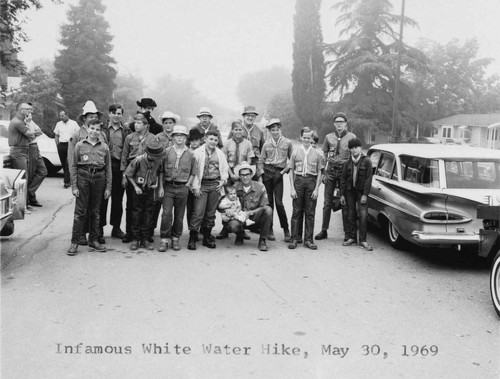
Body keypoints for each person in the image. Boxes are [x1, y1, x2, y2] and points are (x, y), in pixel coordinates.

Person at [67, 120, 111, 256]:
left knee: (95, 211)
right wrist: (74, 185)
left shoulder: (104, 147)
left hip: (99, 177)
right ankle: (75, 242)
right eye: (92, 128)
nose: (94, 131)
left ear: (100, 131)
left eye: (97, 129)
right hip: (83, 177)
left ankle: (93, 240)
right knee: (80, 212)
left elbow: (108, 168)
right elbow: (73, 166)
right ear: (87, 129)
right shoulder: (79, 145)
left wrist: (108, 187)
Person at [315, 112, 356, 242]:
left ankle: (347, 233)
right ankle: (324, 230)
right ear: (334, 124)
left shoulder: (351, 137)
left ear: (345, 123)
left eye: (341, 122)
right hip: (331, 171)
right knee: (327, 202)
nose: (339, 124)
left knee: (344, 202)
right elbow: (325, 155)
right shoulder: (328, 137)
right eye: (337, 122)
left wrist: (350, 174)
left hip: (344, 173)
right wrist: (324, 172)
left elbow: (353, 156)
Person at [121, 113, 159, 243]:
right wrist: (124, 175)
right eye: (135, 122)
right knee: (131, 205)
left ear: (146, 125)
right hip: (132, 171)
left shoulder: (153, 138)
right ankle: (129, 233)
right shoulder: (129, 137)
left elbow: (157, 157)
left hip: (146, 171)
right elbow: (124, 157)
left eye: (139, 123)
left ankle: (146, 235)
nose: (136, 125)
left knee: (147, 207)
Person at [187, 130, 228, 250]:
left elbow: (224, 169)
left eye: (216, 140)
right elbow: (193, 171)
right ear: (205, 139)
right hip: (202, 185)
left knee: (210, 213)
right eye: (211, 139)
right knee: (198, 212)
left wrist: (223, 181)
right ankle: (192, 236)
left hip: (214, 184)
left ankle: (207, 236)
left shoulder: (220, 154)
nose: (213, 142)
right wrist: (195, 187)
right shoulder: (197, 152)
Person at [158, 125, 196, 252]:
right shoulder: (167, 151)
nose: (179, 138)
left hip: (182, 187)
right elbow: (161, 171)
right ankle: (164, 239)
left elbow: (193, 172)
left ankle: (175, 239)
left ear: (186, 138)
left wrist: (187, 185)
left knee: (179, 216)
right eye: (176, 135)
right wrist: (161, 187)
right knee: (166, 214)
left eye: (182, 135)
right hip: (168, 186)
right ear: (173, 137)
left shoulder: (191, 154)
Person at [216, 119, 255, 240]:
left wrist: (243, 172)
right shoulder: (227, 143)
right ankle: (225, 228)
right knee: (226, 201)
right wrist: (232, 174)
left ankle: (241, 229)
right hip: (230, 176)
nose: (238, 131)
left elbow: (250, 159)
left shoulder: (248, 143)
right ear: (232, 130)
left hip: (242, 176)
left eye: (240, 129)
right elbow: (224, 161)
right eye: (236, 129)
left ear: (243, 130)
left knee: (241, 201)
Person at [124, 139, 164, 251]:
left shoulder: (159, 160)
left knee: (148, 214)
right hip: (139, 189)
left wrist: (159, 185)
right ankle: (135, 239)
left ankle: (145, 239)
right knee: (136, 214)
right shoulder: (138, 160)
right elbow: (129, 174)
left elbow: (160, 172)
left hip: (150, 189)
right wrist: (136, 187)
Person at [288, 127, 323, 250]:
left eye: (309, 138)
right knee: (296, 211)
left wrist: (316, 189)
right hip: (298, 181)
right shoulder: (295, 152)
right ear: (301, 138)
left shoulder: (318, 154)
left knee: (310, 212)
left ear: (311, 138)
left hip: (311, 181)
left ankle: (308, 239)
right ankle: (294, 238)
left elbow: (320, 172)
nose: (306, 140)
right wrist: (292, 188)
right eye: (304, 137)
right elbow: (291, 171)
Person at [258, 118, 293, 243]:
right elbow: (261, 161)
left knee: (279, 203)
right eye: (272, 130)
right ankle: (269, 229)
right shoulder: (266, 144)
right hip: (267, 173)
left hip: (279, 173)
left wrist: (283, 172)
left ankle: (286, 229)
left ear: (280, 129)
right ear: (269, 131)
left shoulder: (287, 143)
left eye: (277, 129)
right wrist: (262, 176)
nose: (275, 132)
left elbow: (292, 160)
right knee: (269, 203)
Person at [99, 104, 130, 243]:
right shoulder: (102, 129)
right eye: (114, 113)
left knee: (117, 201)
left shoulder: (127, 131)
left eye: (119, 113)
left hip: (119, 167)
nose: (116, 115)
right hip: (104, 167)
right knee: (102, 200)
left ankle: (116, 228)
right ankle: (99, 229)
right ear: (109, 114)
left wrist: (125, 173)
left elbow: (128, 152)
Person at [226, 162, 272, 251]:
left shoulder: (260, 186)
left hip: (255, 217)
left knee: (268, 210)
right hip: (240, 218)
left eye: (247, 174)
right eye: (242, 175)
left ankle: (262, 240)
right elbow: (226, 203)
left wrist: (250, 213)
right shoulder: (234, 187)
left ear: (251, 174)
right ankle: (240, 235)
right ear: (239, 176)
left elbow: (264, 206)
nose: (245, 177)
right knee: (233, 225)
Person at [151, 111, 181, 240]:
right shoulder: (158, 137)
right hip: (159, 172)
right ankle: (151, 229)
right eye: (166, 123)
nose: (168, 125)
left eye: (170, 123)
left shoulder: (177, 137)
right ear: (162, 124)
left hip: (173, 175)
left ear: (174, 124)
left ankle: (171, 231)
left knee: (171, 207)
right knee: (156, 202)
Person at [340, 138, 373, 251]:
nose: (354, 150)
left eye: (356, 147)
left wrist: (365, 195)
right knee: (351, 214)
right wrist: (342, 195)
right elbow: (343, 179)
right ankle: (352, 237)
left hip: (361, 192)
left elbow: (368, 179)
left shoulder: (367, 161)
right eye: (351, 148)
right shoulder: (347, 162)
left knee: (363, 215)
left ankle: (363, 240)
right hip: (350, 191)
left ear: (360, 148)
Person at [8, 103, 35, 206]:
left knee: (24, 178)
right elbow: (31, 134)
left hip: (22, 150)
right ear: (21, 110)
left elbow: (31, 136)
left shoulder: (20, 122)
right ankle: (21, 206)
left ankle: (24, 204)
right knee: (22, 179)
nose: (30, 111)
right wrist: (29, 122)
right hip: (19, 151)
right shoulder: (18, 122)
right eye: (28, 109)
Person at [228, 105, 264, 178]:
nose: (250, 118)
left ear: (255, 117)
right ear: (244, 117)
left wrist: (260, 166)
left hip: (255, 162)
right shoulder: (237, 129)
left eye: (252, 116)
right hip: (239, 161)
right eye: (248, 115)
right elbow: (229, 144)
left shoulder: (259, 131)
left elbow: (262, 149)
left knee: (258, 185)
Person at [53, 109, 80, 188]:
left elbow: (78, 134)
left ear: (67, 115)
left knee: (68, 163)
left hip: (70, 145)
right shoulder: (58, 124)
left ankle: (66, 182)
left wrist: (76, 145)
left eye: (62, 115)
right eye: (60, 116)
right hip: (61, 145)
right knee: (63, 163)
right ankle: (69, 179)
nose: (61, 117)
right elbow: (56, 135)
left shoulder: (74, 123)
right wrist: (57, 145)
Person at [26, 112, 47, 207]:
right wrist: (32, 134)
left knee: (43, 171)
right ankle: (30, 198)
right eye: (28, 113)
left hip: (35, 146)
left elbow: (40, 131)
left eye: (30, 113)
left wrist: (32, 134)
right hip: (29, 147)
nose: (30, 115)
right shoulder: (22, 123)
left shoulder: (31, 122)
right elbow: (27, 136)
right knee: (30, 173)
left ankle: (30, 192)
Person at [186, 128, 205, 228]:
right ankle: (191, 227)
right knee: (190, 206)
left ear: (200, 141)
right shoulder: (187, 151)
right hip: (188, 181)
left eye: (196, 140)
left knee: (199, 207)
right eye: (192, 140)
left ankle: (199, 227)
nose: (194, 142)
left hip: (200, 181)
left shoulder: (203, 151)